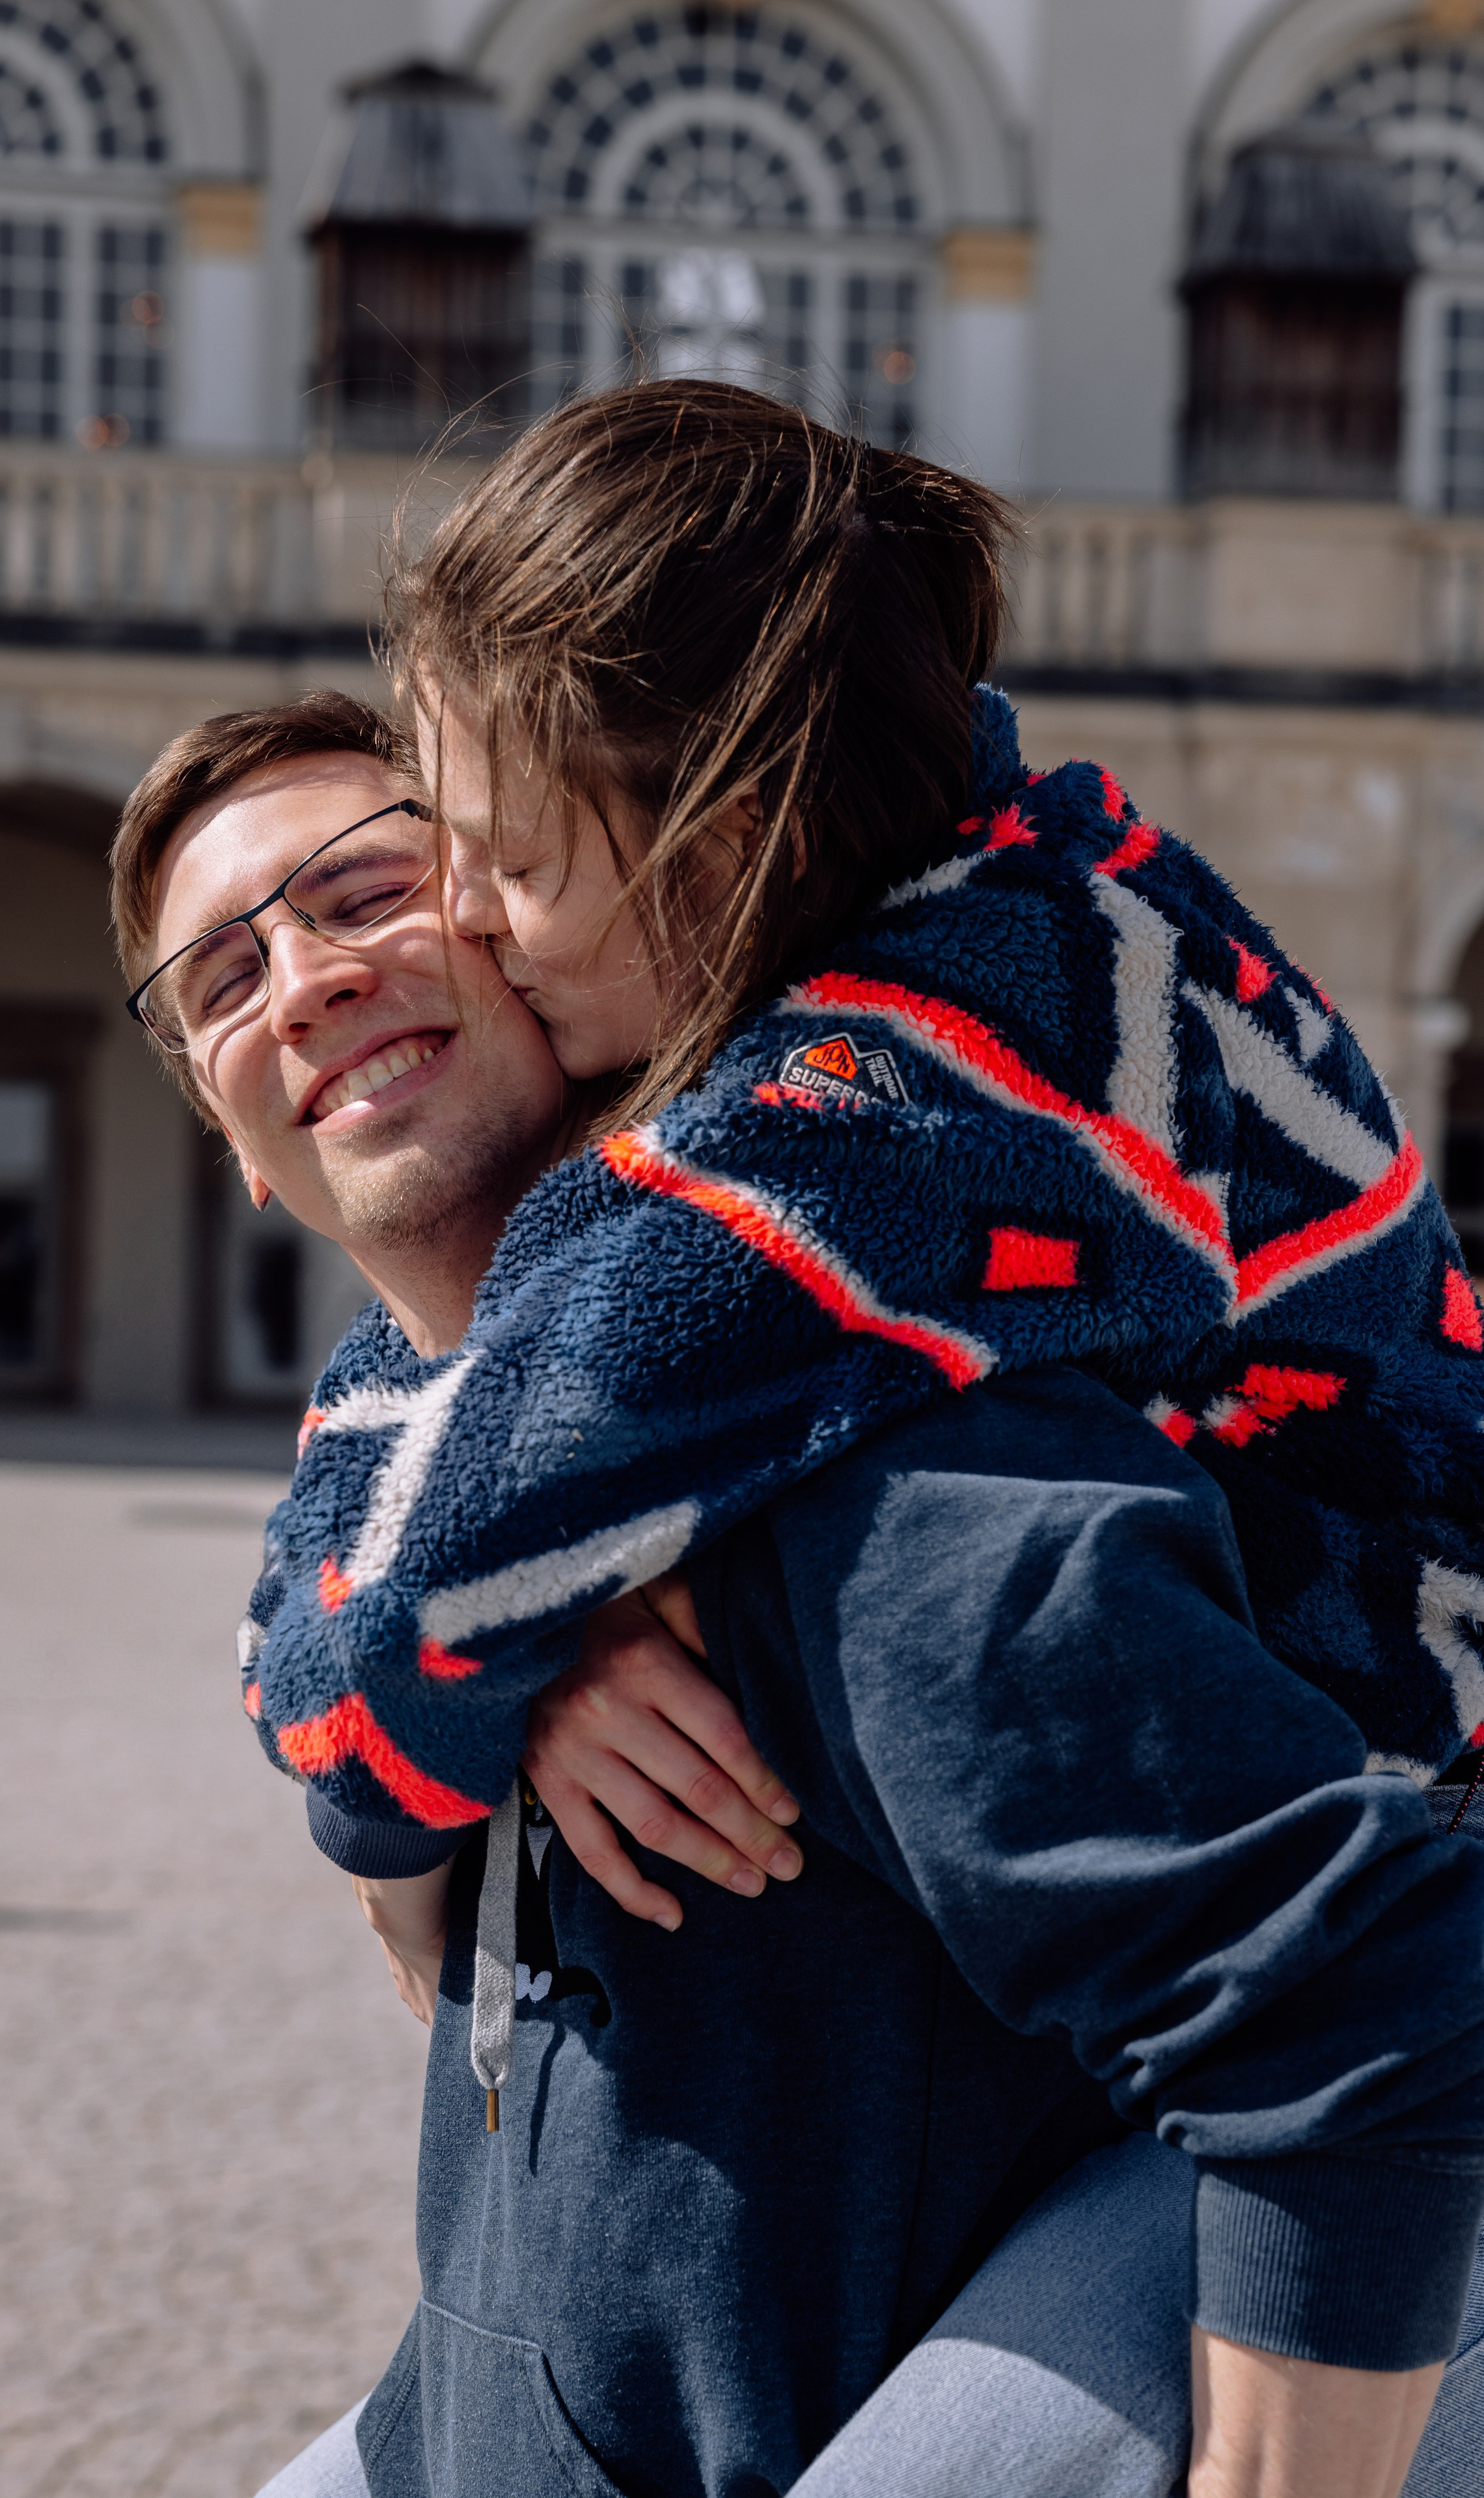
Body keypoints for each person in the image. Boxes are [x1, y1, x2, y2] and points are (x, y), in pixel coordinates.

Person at [111, 680, 1484, 2498]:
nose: (300, 980)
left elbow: (1365, 1991)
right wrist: (504, 1656)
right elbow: (343, 1615)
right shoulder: (419, 1522)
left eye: (368, 891)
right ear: (239, 1157)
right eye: (220, 980)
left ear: (537, 926)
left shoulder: (883, 1466)